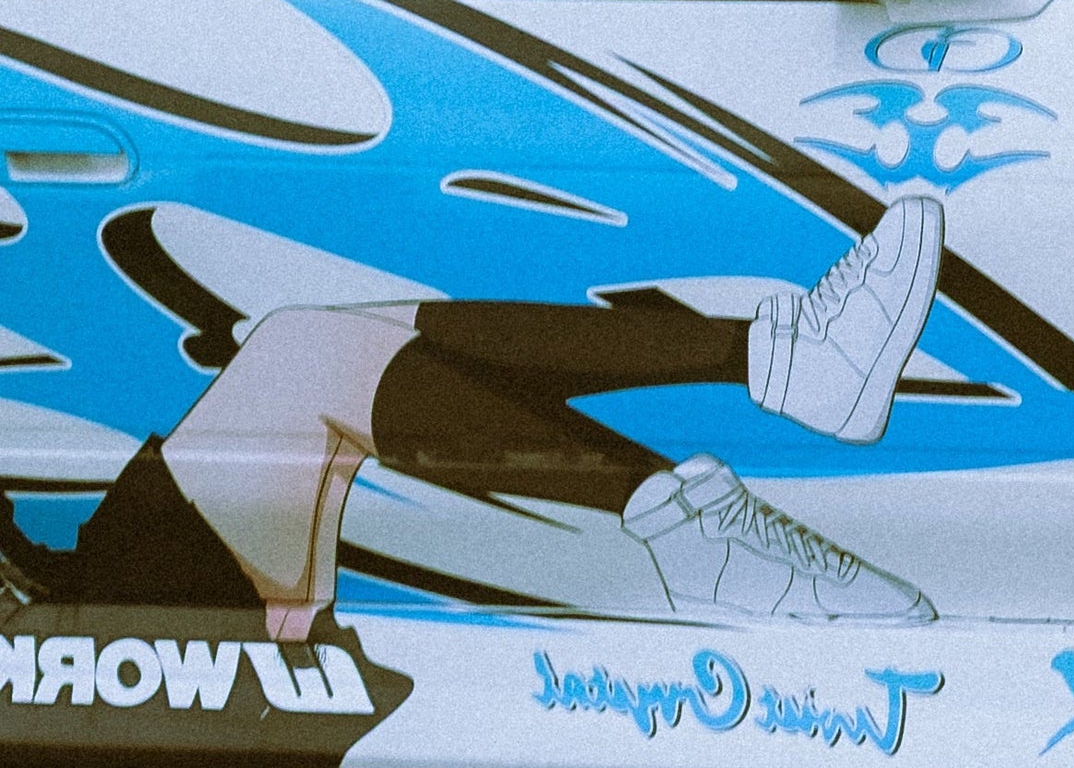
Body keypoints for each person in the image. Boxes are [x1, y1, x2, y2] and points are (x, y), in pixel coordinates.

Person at [0, 200, 947, 629]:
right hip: (70, 605)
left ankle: (777, 371)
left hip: (75, 577)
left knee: (345, 334)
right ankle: (733, 437)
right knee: (304, 351)